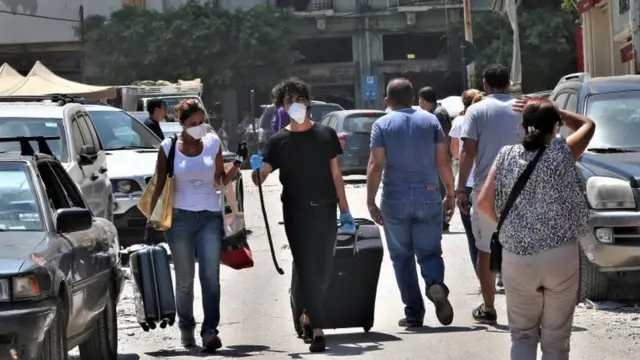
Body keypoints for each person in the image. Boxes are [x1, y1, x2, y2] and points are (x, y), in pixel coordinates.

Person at [476, 97, 594, 359]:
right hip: (560, 256)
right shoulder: (564, 153)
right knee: (556, 339)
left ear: (524, 126)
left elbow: (483, 203)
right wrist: (557, 111)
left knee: (522, 335)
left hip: (517, 258)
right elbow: (589, 124)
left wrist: (514, 226)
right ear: (556, 127)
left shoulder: (505, 155)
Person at [249, 78, 355, 353]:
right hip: (296, 212)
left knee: (323, 268)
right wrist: (257, 169)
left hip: (326, 209)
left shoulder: (325, 135)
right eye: (287, 101)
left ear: (307, 102)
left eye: (298, 99)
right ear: (281, 107)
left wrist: (345, 210)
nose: (294, 105)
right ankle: (318, 328)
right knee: (306, 266)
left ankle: (307, 313)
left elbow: (336, 175)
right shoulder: (278, 141)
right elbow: (261, 178)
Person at [148, 99, 241, 352]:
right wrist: (153, 219)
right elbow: (158, 186)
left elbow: (219, 180)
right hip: (178, 219)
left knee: (211, 277)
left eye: (202, 123)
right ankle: (186, 328)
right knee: (185, 279)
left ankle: (210, 331)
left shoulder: (213, 143)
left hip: (210, 217)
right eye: (193, 124)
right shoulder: (168, 147)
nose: (199, 128)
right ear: (181, 123)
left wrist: (236, 167)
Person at [367, 78, 455, 329]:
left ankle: (414, 312)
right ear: (414, 98)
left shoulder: (382, 124)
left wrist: (370, 200)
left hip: (395, 196)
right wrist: (449, 191)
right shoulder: (430, 120)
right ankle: (435, 284)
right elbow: (442, 160)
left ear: (387, 101)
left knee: (401, 257)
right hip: (428, 194)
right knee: (430, 252)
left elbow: (376, 164)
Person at [456, 64, 524, 324]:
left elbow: (468, 152)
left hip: (487, 189)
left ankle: (489, 306)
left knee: (485, 250)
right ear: (509, 82)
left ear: (485, 84)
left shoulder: (476, 110)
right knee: (521, 249)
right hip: (522, 188)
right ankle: (523, 306)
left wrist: (461, 188)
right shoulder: (523, 108)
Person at [449, 88, 481, 275]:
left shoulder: (459, 121)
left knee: (473, 235)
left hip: (466, 183)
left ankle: (482, 277)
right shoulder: (487, 119)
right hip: (489, 180)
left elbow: (455, 151)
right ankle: (499, 270)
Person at [418, 86, 452, 232]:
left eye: (419, 99)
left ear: (424, 100)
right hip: (437, 158)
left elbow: (445, 137)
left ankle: (443, 220)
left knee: (441, 190)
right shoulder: (435, 112)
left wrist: (441, 158)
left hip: (440, 159)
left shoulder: (438, 114)